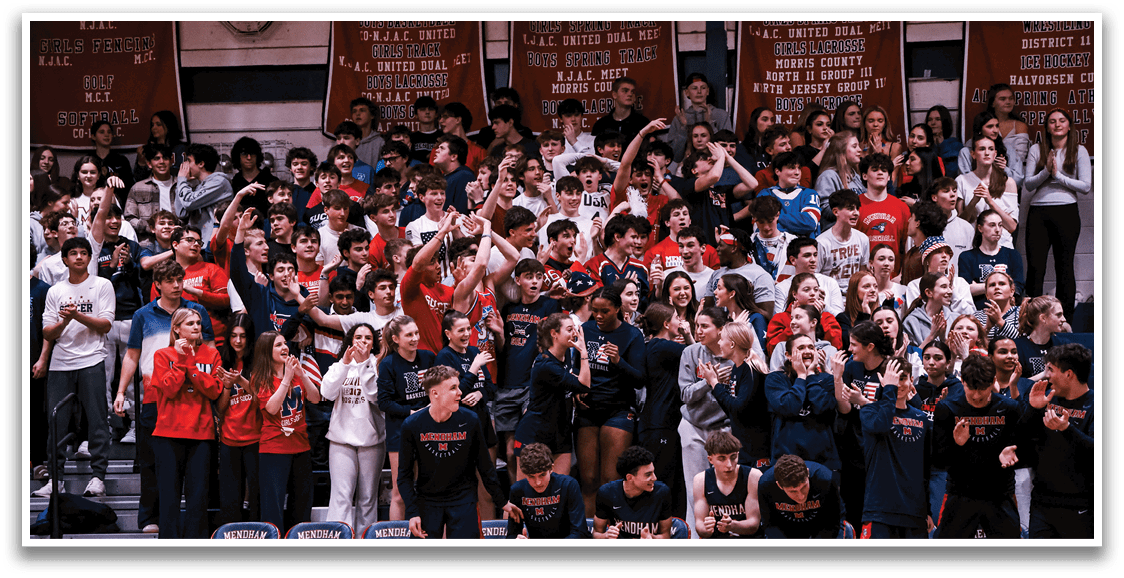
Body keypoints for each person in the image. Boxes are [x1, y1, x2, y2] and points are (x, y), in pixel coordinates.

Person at [112, 261, 215, 533]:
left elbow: (210, 350)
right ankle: (150, 518)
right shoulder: (143, 314)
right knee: (150, 462)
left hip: (194, 396)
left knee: (193, 470)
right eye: (170, 280)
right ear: (157, 284)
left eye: (180, 279)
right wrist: (121, 391)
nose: (177, 285)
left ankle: (193, 528)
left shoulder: (197, 311)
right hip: (155, 393)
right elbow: (132, 355)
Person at [34, 237, 116, 499]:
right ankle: (55, 480)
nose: (79, 257)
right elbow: (48, 332)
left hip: (92, 359)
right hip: (60, 363)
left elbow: (105, 325)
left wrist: (76, 315)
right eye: (73, 253)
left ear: (90, 258)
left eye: (83, 253)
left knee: (97, 420)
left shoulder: (102, 285)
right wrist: (65, 322)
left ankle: (98, 477)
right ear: (65, 259)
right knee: (56, 421)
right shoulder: (55, 291)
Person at [398, 365, 512, 539]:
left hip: (463, 499)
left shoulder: (470, 420)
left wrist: (502, 501)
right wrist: (412, 512)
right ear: (435, 393)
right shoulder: (412, 425)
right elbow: (404, 475)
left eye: (458, 387)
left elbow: (485, 466)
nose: (460, 393)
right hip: (427, 500)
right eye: (453, 388)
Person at [932, 353, 1026, 539]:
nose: (976, 396)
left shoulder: (1010, 408)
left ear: (993, 381)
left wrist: (1013, 454)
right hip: (961, 493)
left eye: (982, 389)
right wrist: (958, 444)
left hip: (999, 493)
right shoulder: (947, 408)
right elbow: (939, 460)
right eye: (971, 388)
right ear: (962, 381)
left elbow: (1026, 450)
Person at [149, 308, 222, 539]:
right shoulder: (162, 355)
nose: (196, 327)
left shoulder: (212, 355)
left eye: (198, 323)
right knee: (168, 499)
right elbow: (169, 389)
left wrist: (189, 364)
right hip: (168, 434)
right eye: (190, 323)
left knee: (198, 499)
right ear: (176, 328)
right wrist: (182, 360)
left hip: (202, 434)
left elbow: (214, 391)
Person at [576, 287, 646, 515]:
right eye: (594, 310)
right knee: (588, 479)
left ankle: (611, 529)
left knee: (610, 480)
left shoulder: (632, 335)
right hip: (588, 409)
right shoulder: (585, 329)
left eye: (604, 311)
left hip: (618, 410)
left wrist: (618, 361)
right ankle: (589, 529)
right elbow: (574, 367)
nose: (598, 315)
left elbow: (640, 379)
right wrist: (575, 389)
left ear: (617, 309)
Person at [1023, 108, 1091, 321]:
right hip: (1038, 212)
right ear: (1047, 127)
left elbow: (1086, 186)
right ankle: (1032, 320)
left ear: (1069, 126)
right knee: (1036, 267)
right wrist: (1046, 172)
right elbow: (1028, 183)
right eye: (1052, 121)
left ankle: (1064, 320)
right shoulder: (1037, 149)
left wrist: (1058, 176)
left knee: (1065, 266)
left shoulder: (1078, 150)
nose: (1057, 124)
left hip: (1066, 210)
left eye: (1062, 120)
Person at [250, 331, 321, 534]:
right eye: (278, 345)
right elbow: (272, 408)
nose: (284, 348)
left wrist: (302, 375)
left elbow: (315, 398)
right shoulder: (259, 377)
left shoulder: (296, 374)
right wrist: (286, 378)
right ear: (267, 351)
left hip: (301, 446)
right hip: (274, 449)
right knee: (273, 506)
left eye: (284, 343)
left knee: (302, 504)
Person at [319, 322, 385, 533]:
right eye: (358, 337)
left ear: (373, 343)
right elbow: (326, 393)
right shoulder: (340, 364)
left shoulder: (379, 365)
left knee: (368, 498)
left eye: (368, 338)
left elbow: (376, 396)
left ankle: (366, 539)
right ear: (350, 340)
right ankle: (341, 538)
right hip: (341, 440)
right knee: (341, 496)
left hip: (372, 441)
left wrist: (364, 364)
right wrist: (345, 364)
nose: (363, 341)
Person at [858, 357, 933, 539]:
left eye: (903, 378)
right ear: (882, 380)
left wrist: (928, 509)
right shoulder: (869, 411)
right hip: (880, 509)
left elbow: (925, 467)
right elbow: (881, 425)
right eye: (893, 378)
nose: (898, 384)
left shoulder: (922, 418)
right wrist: (889, 389)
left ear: (911, 380)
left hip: (914, 510)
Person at [1025, 344, 1093, 539]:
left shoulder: (1095, 405)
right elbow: (1023, 438)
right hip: (1042, 503)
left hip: (1081, 505)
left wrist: (1067, 429)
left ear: (1069, 374)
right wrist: (1033, 409)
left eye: (1051, 370)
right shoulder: (1047, 399)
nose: (1047, 376)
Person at [513, 312, 590, 479]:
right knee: (526, 491)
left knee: (560, 488)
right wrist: (583, 351)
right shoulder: (546, 364)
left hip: (560, 433)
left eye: (575, 329)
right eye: (569, 329)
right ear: (554, 333)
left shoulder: (564, 356)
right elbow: (584, 385)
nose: (575, 334)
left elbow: (571, 383)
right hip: (535, 434)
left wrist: (574, 392)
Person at [375, 315, 436, 520]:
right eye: (409, 335)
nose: (415, 338)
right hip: (400, 432)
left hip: (428, 429)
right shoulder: (388, 364)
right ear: (395, 339)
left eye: (416, 333)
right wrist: (411, 413)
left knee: (429, 489)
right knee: (400, 492)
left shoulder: (429, 358)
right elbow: (384, 402)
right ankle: (397, 534)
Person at [677, 307, 732, 528]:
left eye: (704, 326)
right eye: (697, 325)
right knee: (695, 485)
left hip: (724, 427)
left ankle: (726, 530)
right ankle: (695, 533)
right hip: (694, 425)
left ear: (720, 329)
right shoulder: (690, 352)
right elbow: (685, 394)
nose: (698, 330)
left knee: (725, 484)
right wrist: (709, 382)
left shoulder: (734, 353)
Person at [638, 304, 690, 518]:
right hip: (660, 423)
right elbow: (698, 355)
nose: (680, 321)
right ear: (666, 324)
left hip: (657, 423)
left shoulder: (655, 346)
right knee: (662, 484)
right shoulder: (663, 346)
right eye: (677, 317)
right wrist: (689, 335)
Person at [701, 321, 771, 469]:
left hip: (757, 449)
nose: (719, 343)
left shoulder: (751, 370)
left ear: (732, 344)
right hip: (744, 446)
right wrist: (716, 384)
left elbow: (738, 408)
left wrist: (715, 383)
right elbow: (731, 411)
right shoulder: (737, 369)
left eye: (722, 339)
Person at [765, 334, 840, 469]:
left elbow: (823, 407)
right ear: (788, 355)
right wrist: (801, 376)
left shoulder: (827, 379)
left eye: (811, 347)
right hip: (786, 460)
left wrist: (810, 375)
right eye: (801, 348)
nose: (807, 351)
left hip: (824, 460)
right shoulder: (775, 379)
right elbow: (789, 407)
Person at [214, 313, 260, 526]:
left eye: (242, 336)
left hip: (256, 438)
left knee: (257, 501)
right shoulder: (222, 362)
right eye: (233, 336)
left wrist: (241, 380)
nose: (238, 341)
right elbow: (220, 410)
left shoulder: (259, 362)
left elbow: (263, 400)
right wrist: (226, 387)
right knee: (230, 502)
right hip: (229, 439)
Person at [505, 443, 590, 538]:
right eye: (531, 476)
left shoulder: (568, 485)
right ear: (525, 474)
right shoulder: (517, 491)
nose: (538, 482)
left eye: (542, 475)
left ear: (551, 468)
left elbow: (580, 532)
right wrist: (517, 540)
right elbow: (512, 534)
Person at [592, 446, 674, 539]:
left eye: (653, 472)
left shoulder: (662, 492)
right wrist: (606, 536)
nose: (654, 478)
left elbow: (666, 535)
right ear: (630, 477)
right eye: (648, 474)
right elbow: (596, 534)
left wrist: (651, 538)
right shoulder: (607, 493)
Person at [693, 431, 762, 539]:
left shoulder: (753, 476)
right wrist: (706, 529)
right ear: (710, 459)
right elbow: (700, 526)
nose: (729, 465)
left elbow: (754, 524)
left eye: (733, 457)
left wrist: (733, 526)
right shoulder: (700, 480)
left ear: (738, 455)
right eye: (722, 459)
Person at [757, 454, 845, 539]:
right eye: (793, 491)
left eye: (804, 487)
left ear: (807, 472)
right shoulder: (766, 484)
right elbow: (770, 524)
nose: (801, 496)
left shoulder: (825, 479)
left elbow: (833, 521)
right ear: (779, 485)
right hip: (786, 530)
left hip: (822, 526)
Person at [956, 137, 1019, 248]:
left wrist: (990, 202)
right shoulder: (961, 180)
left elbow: (1012, 226)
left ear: (995, 154)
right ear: (973, 154)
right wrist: (973, 202)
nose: (986, 153)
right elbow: (959, 224)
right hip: (973, 246)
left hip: (1002, 246)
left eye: (990, 149)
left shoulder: (1008, 182)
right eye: (982, 149)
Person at [856, 153, 910, 271]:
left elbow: (907, 246)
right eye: (875, 169)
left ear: (889, 177)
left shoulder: (902, 207)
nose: (880, 173)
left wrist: (901, 274)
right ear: (864, 176)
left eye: (884, 170)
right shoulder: (855, 205)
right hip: (863, 275)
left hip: (894, 276)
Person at [766, 272, 844, 355]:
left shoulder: (827, 317)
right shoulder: (780, 318)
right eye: (806, 290)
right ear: (794, 294)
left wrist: (819, 318)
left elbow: (836, 346)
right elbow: (772, 350)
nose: (813, 293)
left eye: (816, 289)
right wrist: (795, 321)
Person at [175, 143, 234, 250]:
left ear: (201, 163)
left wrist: (182, 180)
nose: (185, 165)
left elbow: (189, 203)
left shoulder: (219, 182)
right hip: (199, 244)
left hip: (215, 243)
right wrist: (184, 183)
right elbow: (181, 213)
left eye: (189, 161)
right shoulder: (197, 185)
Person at [904, 235, 975, 319]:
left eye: (947, 252)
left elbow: (971, 315)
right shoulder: (914, 285)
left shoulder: (960, 282)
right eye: (938, 252)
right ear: (927, 260)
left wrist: (952, 289)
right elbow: (916, 317)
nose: (944, 255)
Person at [668, 73, 732, 162]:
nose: (699, 92)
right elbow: (675, 156)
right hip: (689, 166)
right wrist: (683, 128)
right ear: (687, 92)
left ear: (708, 91)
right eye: (694, 88)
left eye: (703, 88)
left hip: (716, 164)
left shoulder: (721, 115)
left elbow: (728, 148)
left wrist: (710, 123)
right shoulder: (680, 118)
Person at [755, 151, 821, 237]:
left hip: (804, 244)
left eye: (799, 168)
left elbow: (810, 223)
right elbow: (762, 227)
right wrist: (797, 225)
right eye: (791, 168)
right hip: (774, 244)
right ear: (777, 171)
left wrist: (776, 218)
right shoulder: (765, 194)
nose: (797, 172)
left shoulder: (809, 194)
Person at [816, 190, 870, 294]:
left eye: (857, 208)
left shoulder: (863, 239)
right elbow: (815, 276)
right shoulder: (821, 242)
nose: (856, 213)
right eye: (850, 209)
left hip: (854, 296)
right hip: (829, 296)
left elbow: (863, 273)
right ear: (836, 212)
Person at [124, 143, 178, 244]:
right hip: (148, 243)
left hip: (178, 242)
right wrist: (150, 227)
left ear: (171, 161)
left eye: (165, 158)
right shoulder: (138, 188)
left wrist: (177, 228)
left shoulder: (181, 185)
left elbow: (192, 216)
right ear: (149, 164)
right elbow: (129, 218)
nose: (161, 162)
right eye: (157, 158)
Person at [958, 111, 1023, 188]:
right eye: (990, 126)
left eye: (997, 126)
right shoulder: (967, 152)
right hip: (976, 192)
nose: (995, 130)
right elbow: (965, 182)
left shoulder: (1007, 149)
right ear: (979, 129)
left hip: (1001, 193)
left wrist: (1004, 169)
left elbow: (1019, 181)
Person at [814, 131, 865, 230]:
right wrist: (851, 210)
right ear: (841, 150)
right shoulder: (828, 176)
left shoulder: (856, 176)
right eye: (854, 146)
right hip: (836, 234)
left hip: (857, 232)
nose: (859, 150)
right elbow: (824, 209)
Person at [1014, 295, 1067, 381]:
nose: (1064, 319)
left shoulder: (1063, 345)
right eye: (1058, 315)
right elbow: (1014, 385)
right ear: (1043, 318)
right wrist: (1043, 374)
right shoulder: (1017, 347)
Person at [713, 274, 768, 354]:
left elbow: (760, 355)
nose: (715, 292)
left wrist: (738, 332)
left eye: (719, 288)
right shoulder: (720, 318)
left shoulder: (755, 319)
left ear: (732, 294)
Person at [88, 120, 135, 206]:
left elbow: (130, 187)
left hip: (118, 206)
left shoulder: (121, 160)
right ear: (93, 136)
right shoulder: (88, 161)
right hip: (94, 204)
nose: (106, 135)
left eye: (109, 132)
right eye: (102, 132)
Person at [985, 83, 1030, 175]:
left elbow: (1019, 159)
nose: (1008, 102)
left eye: (1011, 98)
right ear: (993, 103)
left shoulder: (1020, 126)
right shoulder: (984, 124)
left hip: (1013, 174)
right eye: (1003, 99)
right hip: (986, 172)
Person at [902, 272, 955, 348]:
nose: (950, 291)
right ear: (929, 292)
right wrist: (932, 336)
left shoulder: (955, 318)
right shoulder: (911, 322)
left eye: (950, 287)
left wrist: (943, 338)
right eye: (944, 287)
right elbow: (911, 354)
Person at [591, 76, 650, 143]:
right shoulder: (601, 125)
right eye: (625, 91)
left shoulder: (643, 123)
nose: (630, 94)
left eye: (632, 92)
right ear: (614, 95)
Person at [231, 136, 280, 215]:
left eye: (252, 153)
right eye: (244, 154)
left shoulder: (271, 181)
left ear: (257, 155)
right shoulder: (234, 183)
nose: (249, 158)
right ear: (238, 156)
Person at [835, 270, 881, 350]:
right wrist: (864, 316)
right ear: (855, 291)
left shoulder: (881, 315)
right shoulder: (843, 319)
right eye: (866, 286)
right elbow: (852, 346)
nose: (873, 290)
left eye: (875, 286)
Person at [973, 270, 1022, 342]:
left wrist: (1000, 322)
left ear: (1012, 291)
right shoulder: (977, 316)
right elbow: (974, 343)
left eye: (1002, 284)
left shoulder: (1022, 312)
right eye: (992, 285)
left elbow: (1025, 343)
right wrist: (987, 328)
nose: (997, 287)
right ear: (986, 294)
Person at [349, 96, 386, 169]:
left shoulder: (380, 143)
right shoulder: (346, 140)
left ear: (372, 115)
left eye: (362, 110)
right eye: (354, 111)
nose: (357, 114)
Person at [796, 109, 833, 180]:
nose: (825, 128)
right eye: (819, 124)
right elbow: (806, 175)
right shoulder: (800, 151)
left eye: (828, 125)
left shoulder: (834, 151)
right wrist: (824, 150)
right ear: (809, 129)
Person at [926, 105, 962, 178]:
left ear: (945, 122)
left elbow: (952, 173)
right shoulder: (925, 144)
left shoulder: (956, 145)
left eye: (938, 119)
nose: (933, 123)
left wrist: (942, 145)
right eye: (930, 120)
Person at [870, 244, 907, 311]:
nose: (886, 263)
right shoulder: (866, 292)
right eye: (881, 259)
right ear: (871, 263)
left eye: (891, 260)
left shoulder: (904, 291)